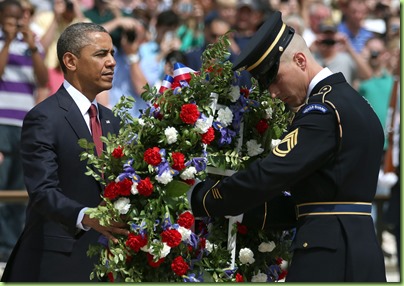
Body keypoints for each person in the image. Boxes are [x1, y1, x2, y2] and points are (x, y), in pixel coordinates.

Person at [188, 11, 386, 282]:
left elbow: (269, 175)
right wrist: (245, 211)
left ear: (300, 60)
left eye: (275, 78)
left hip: (326, 256)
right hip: (360, 249)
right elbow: (317, 195)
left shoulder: (322, 111)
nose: (272, 92)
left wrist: (202, 199)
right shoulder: (355, 103)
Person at [1, 22, 129, 282]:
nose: (112, 62)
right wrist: (87, 217)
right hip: (57, 261)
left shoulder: (112, 120)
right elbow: (43, 192)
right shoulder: (44, 117)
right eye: (101, 54)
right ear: (71, 61)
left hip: (106, 261)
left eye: (113, 54)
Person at [0, 0, 48, 263]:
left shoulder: (33, 43)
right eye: (8, 18)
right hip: (0, 123)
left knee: (19, 186)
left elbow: (42, 79)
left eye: (17, 19)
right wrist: (7, 41)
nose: (14, 23)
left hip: (22, 124)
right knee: (1, 185)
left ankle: (11, 246)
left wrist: (31, 48)